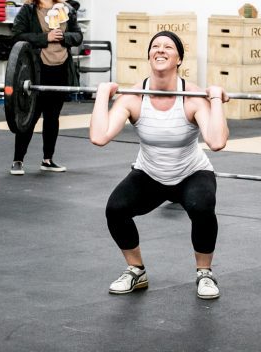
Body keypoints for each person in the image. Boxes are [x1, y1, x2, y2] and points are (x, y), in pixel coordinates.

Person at [89, 31, 229, 300]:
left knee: (202, 206)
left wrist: (213, 98)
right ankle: (136, 270)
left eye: (168, 47)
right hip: (150, 173)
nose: (160, 50)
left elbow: (216, 141)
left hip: (191, 172)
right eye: (155, 46)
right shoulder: (133, 97)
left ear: (179, 59)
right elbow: (99, 136)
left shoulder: (192, 96)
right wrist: (102, 94)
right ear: (149, 56)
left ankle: (205, 273)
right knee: (115, 209)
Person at [9, 0, 83, 175]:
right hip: (36, 71)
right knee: (29, 116)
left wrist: (64, 37)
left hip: (60, 69)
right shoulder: (28, 10)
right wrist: (45, 38)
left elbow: (78, 36)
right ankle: (17, 161)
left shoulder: (66, 10)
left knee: (53, 117)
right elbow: (16, 36)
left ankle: (48, 160)